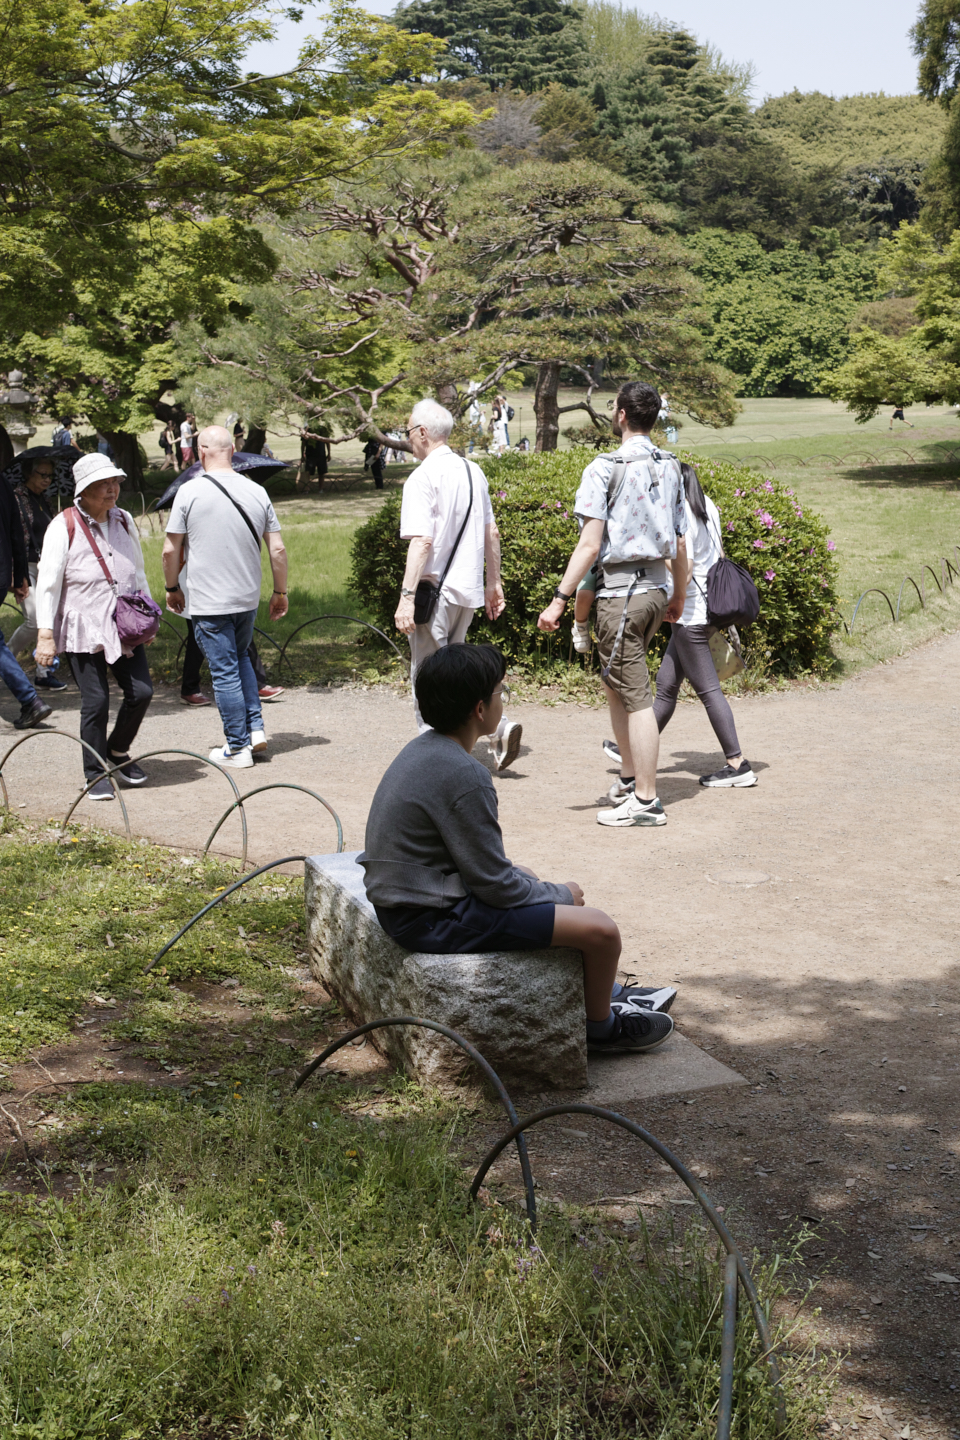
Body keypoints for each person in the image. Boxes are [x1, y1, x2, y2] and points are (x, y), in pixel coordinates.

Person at [359, 644, 676, 1054]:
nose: (503, 699)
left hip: (409, 903)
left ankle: (606, 990)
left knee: (527, 875)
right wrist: (562, 894)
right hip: (429, 919)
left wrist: (541, 890)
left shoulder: (423, 749)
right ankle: (602, 1028)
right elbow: (497, 888)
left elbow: (489, 874)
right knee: (599, 929)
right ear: (479, 709)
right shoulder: (465, 775)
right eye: (500, 692)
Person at [537, 380, 687, 828]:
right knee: (617, 684)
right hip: (656, 591)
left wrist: (559, 600)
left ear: (621, 414)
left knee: (637, 697)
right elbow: (680, 541)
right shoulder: (671, 465)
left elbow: (589, 545)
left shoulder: (603, 468)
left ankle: (646, 800)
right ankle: (628, 779)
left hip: (621, 594)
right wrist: (678, 594)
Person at [394, 398, 521, 771]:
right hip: (466, 591)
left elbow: (422, 542)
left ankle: (436, 758)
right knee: (457, 672)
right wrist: (493, 583)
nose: (407, 438)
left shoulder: (422, 478)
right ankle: (496, 727)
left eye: (408, 431)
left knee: (429, 677)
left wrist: (406, 597)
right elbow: (491, 532)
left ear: (422, 433)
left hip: (433, 593)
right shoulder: (472, 471)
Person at [162, 425, 288, 769]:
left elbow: (170, 549)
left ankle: (237, 747)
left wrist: (172, 588)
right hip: (247, 597)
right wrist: (280, 592)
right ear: (233, 450)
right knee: (242, 658)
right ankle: (255, 730)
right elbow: (277, 549)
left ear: (200, 452)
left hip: (208, 600)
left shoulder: (189, 492)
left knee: (225, 672)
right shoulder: (257, 491)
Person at [34, 453, 152, 796]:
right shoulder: (63, 525)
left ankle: (116, 751)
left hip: (124, 624)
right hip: (82, 626)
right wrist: (45, 634)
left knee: (142, 692)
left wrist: (147, 616)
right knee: (96, 700)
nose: (112, 489)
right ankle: (95, 773)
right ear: (83, 490)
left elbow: (138, 570)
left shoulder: (124, 520)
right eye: (103, 484)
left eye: (115, 482)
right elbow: (48, 584)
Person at [653, 464, 756, 788]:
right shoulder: (707, 505)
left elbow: (685, 566)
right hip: (708, 608)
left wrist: (660, 559)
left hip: (690, 616)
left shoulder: (681, 511)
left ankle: (737, 763)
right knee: (666, 684)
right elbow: (716, 552)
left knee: (709, 692)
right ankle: (634, 746)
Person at [0, 468, 52, 731]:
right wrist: (20, 573)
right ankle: (31, 700)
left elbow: (15, 531)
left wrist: (20, 573)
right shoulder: (4, 484)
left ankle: (31, 700)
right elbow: (16, 533)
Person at [9, 457, 66, 690]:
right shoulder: (15, 498)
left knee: (49, 618)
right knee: (34, 620)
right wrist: (15, 572)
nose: (47, 479)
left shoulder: (44, 499)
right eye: (42, 474)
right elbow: (12, 535)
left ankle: (44, 672)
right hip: (25, 566)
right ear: (28, 474)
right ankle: (6, 659)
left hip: (47, 565)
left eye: (50, 475)